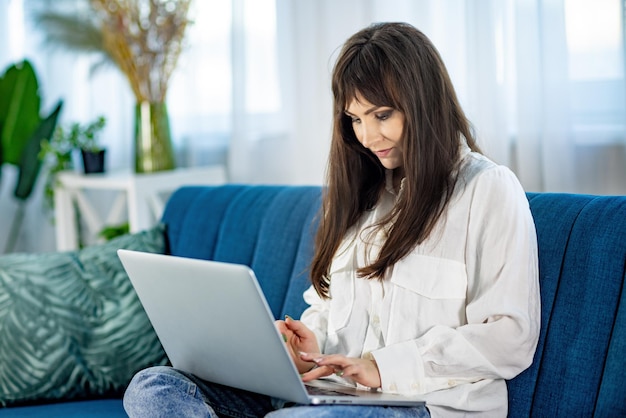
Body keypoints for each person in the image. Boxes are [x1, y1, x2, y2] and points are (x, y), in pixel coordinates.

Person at [123, 22, 540, 418]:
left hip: (425, 405)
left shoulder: (488, 190)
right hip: (332, 395)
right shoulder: (362, 198)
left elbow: (510, 336)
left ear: (424, 102)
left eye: (381, 115)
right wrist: (308, 344)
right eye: (355, 119)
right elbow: (327, 310)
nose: (367, 136)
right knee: (154, 387)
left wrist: (383, 365)